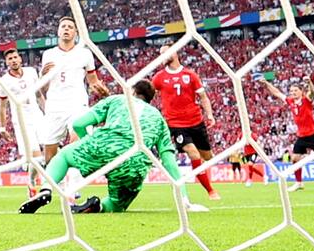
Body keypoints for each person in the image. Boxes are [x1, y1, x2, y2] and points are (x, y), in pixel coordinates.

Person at [18, 80, 207, 215]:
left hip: (103, 145)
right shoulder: (158, 118)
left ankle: (45, 190)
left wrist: (88, 144)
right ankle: (98, 207)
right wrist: (184, 199)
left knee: (64, 156)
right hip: (134, 163)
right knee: (117, 205)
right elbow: (168, 160)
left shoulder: (118, 99)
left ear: (132, 91)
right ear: (150, 99)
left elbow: (78, 124)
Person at [39, 18, 110, 199]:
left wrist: (101, 90)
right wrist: (43, 76)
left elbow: (93, 82)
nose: (66, 30)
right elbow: (43, 89)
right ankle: (61, 186)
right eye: (63, 26)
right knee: (49, 154)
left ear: (76, 33)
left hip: (77, 103)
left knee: (76, 140)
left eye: (70, 27)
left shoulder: (85, 54)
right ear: (58, 31)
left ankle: (73, 187)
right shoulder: (48, 55)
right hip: (54, 105)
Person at [151, 44, 220, 201]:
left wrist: (209, 114)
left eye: (164, 52)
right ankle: (210, 191)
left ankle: (202, 174)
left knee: (208, 157)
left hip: (196, 122)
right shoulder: (159, 78)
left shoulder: (190, 75)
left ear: (174, 53)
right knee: (193, 153)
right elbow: (148, 95)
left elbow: (203, 97)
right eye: (160, 53)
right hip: (176, 125)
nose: (162, 56)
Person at [261, 78, 314, 192]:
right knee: (295, 159)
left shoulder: (306, 100)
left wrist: (309, 82)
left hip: (313, 135)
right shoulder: (290, 101)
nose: (293, 93)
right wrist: (266, 83)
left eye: (295, 90)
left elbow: (313, 93)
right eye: (291, 91)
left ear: (301, 91)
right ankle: (299, 183)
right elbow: (277, 92)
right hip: (301, 136)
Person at [0, 47, 46, 197]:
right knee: (37, 155)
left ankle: (33, 180)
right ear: (6, 62)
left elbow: (39, 95)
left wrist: (47, 112)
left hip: (37, 115)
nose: (13, 60)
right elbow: (3, 106)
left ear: (20, 59)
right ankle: (39, 184)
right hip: (22, 120)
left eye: (15, 57)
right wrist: (3, 127)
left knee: (50, 149)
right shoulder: (4, 81)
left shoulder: (31, 72)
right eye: (9, 59)